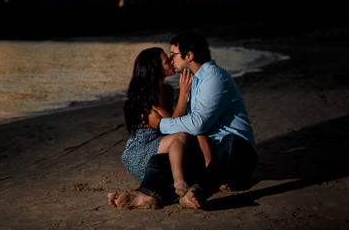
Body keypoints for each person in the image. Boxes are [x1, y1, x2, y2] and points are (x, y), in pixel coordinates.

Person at [109, 31, 257, 210]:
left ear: (189, 55)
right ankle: (144, 193)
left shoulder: (214, 77)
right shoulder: (193, 81)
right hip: (209, 156)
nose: (171, 60)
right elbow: (191, 128)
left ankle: (200, 189)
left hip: (237, 158)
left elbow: (197, 124)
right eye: (168, 57)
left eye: (173, 55)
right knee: (160, 160)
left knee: (231, 140)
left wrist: (160, 124)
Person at [109, 47, 209, 209]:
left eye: (170, 57)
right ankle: (179, 183)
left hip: (162, 146)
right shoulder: (149, 95)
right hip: (141, 150)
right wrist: (184, 94)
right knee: (181, 136)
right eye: (166, 61)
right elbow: (173, 126)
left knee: (188, 141)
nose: (171, 61)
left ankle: (147, 196)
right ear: (155, 69)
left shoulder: (167, 90)